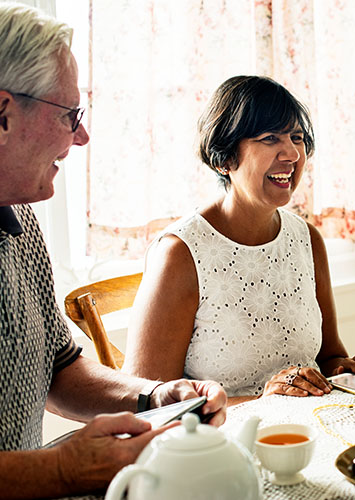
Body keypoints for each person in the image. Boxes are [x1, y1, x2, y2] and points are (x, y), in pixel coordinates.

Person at [0, 4, 226, 498]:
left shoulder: (21, 220)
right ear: (3, 113)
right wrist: (59, 470)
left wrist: (152, 395)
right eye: (69, 116)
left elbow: (60, 367)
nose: (81, 137)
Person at [122, 75, 355, 405]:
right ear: (224, 159)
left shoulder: (308, 240)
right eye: (270, 138)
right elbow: (148, 405)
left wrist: (349, 369)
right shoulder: (181, 254)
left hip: (304, 434)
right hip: (218, 445)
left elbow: (329, 357)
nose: (292, 153)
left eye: (297, 137)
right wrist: (264, 400)